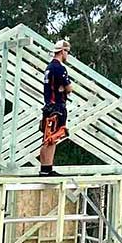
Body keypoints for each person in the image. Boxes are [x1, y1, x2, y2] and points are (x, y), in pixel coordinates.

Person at [38, 40, 73, 176]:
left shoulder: (49, 68)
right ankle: (47, 169)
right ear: (62, 51)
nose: (67, 55)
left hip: (48, 106)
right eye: (67, 52)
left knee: (48, 138)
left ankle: (45, 168)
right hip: (56, 107)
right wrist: (64, 87)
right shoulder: (59, 68)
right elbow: (69, 88)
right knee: (52, 138)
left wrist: (61, 87)